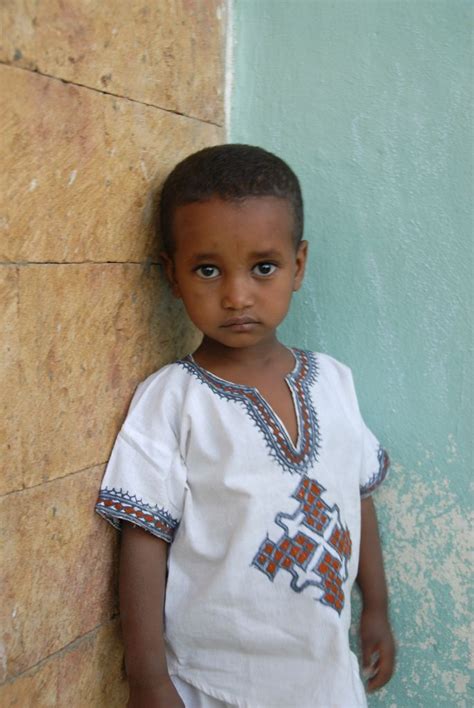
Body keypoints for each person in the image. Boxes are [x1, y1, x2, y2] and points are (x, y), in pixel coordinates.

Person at [95, 144, 395, 708]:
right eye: (208, 270)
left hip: (327, 680)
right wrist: (148, 679)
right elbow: (142, 540)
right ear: (173, 275)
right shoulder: (172, 400)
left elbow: (358, 501)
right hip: (212, 684)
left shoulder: (334, 383)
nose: (237, 296)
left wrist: (375, 606)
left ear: (298, 266)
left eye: (264, 267)